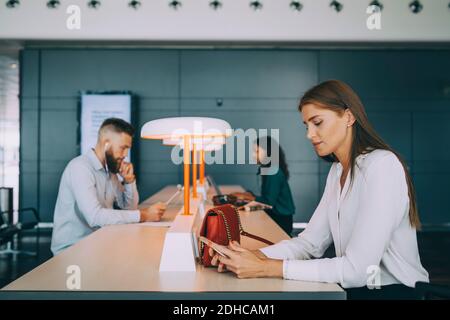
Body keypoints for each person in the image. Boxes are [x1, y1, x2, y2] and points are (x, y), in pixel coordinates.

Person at [209, 80, 429, 299]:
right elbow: (309, 243)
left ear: (349, 117)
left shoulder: (382, 165)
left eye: (318, 122)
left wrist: (267, 267)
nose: (309, 134)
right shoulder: (337, 171)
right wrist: (249, 256)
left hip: (396, 292)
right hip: (357, 290)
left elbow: (358, 270)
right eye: (306, 126)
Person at [51, 118, 166, 255]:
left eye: (127, 149)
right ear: (106, 144)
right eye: (123, 148)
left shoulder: (109, 171)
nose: (125, 155)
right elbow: (95, 217)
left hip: (98, 242)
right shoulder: (80, 168)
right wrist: (144, 215)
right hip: (72, 250)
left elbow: (129, 208)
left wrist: (129, 181)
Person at [231, 136, 296, 235]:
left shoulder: (273, 171)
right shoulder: (269, 169)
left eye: (256, 151)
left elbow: (269, 202)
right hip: (277, 215)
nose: (253, 155)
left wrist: (248, 196)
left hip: (281, 219)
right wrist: (249, 195)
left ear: (268, 152)